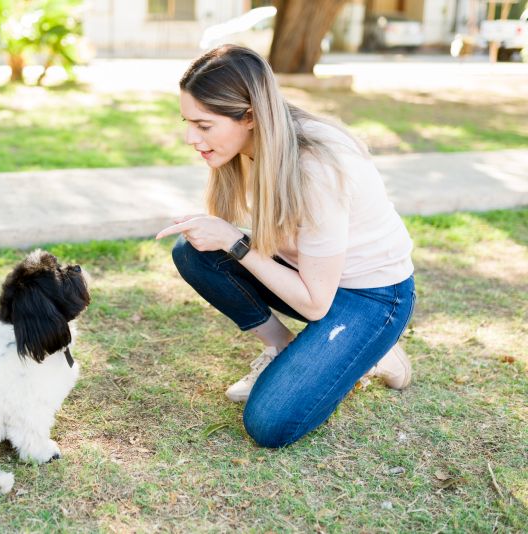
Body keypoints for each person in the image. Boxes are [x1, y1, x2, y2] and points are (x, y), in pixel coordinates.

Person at [156, 45, 416, 449]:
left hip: (372, 297)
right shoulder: (253, 145)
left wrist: (233, 240)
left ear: (250, 116)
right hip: (313, 278)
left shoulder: (316, 165)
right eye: (188, 122)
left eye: (204, 126)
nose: (191, 138)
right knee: (193, 251)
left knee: (268, 423)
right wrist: (222, 237)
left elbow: (315, 305)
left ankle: (378, 350)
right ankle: (284, 348)